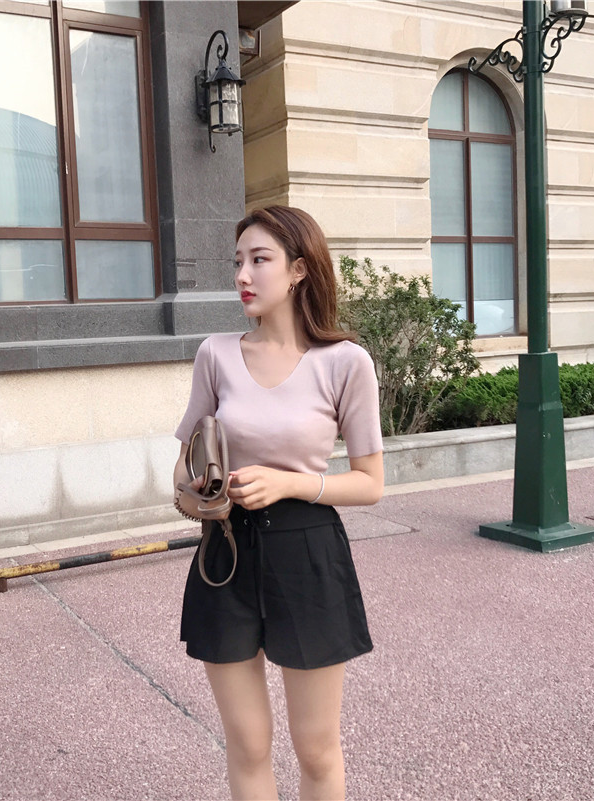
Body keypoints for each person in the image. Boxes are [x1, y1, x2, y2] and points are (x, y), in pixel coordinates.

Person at [173, 205, 384, 801]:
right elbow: (183, 466)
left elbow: (370, 483)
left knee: (316, 748)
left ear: (298, 269)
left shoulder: (344, 362)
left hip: (307, 551)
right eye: (238, 261)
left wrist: (288, 483)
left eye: (259, 260)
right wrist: (200, 489)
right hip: (226, 554)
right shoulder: (215, 354)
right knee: (247, 744)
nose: (242, 275)